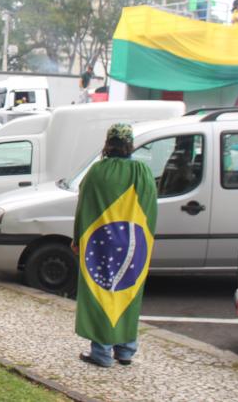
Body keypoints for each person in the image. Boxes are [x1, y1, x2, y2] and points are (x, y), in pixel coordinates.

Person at [71, 123, 157, 368]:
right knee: (128, 294)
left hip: (100, 243)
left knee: (100, 294)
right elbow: (151, 207)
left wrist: (77, 239)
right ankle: (126, 350)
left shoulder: (98, 172)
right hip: (134, 242)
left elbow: (83, 206)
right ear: (130, 144)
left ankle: (101, 352)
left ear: (108, 143)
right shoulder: (142, 172)